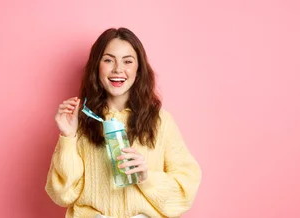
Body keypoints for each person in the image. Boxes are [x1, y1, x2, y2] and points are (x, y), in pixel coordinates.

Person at [45, 27, 202, 218]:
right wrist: (68, 137)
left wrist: (146, 177)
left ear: (138, 69)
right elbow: (63, 194)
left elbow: (184, 192)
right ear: (97, 66)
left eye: (127, 61)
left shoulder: (161, 121)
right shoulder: (81, 120)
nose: (118, 69)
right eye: (109, 60)